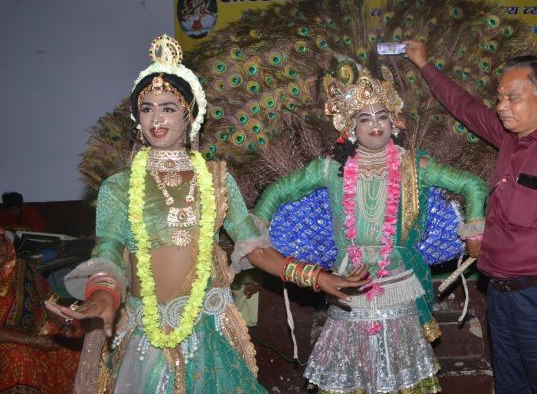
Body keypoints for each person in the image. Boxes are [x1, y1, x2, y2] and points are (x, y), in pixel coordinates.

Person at [49, 35, 366, 393]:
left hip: (208, 335)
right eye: (147, 108)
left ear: (189, 115)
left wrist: (317, 277)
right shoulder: (118, 187)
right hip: (146, 339)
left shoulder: (216, 179)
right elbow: (108, 255)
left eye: (168, 108)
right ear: (137, 118)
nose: (157, 118)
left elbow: (256, 250)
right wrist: (102, 297)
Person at [250, 67, 489, 393]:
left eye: (382, 116)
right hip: (349, 283)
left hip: (398, 283)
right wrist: (254, 235)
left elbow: (473, 185)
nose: (376, 125)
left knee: (401, 377)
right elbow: (278, 192)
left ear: (394, 122)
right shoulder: (331, 169)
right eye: (365, 118)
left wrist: (474, 232)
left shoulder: (413, 166)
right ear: (351, 127)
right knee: (353, 376)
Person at [403, 40, 537, 393]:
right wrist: (425, 65)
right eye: (499, 98)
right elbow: (465, 106)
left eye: (512, 98)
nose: (501, 106)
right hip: (501, 298)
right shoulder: (508, 139)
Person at [0, 227, 81, 392]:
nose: (0, 249)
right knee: (20, 359)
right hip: (8, 341)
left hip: (33, 333)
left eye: (1, 242)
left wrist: (65, 325)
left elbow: (48, 302)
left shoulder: (23, 268)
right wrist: (34, 341)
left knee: (74, 348)